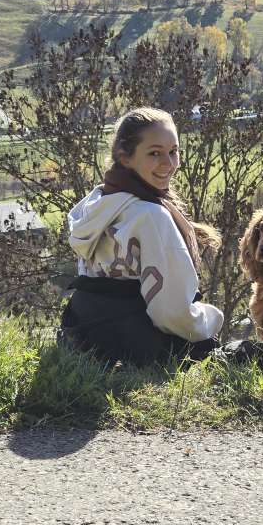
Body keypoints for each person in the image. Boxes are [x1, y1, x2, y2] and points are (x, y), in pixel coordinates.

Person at [60, 107, 224, 366]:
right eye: (154, 153)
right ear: (125, 158)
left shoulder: (98, 201)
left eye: (173, 151)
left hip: (81, 330)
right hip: (131, 343)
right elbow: (170, 313)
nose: (169, 164)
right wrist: (211, 320)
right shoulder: (151, 215)